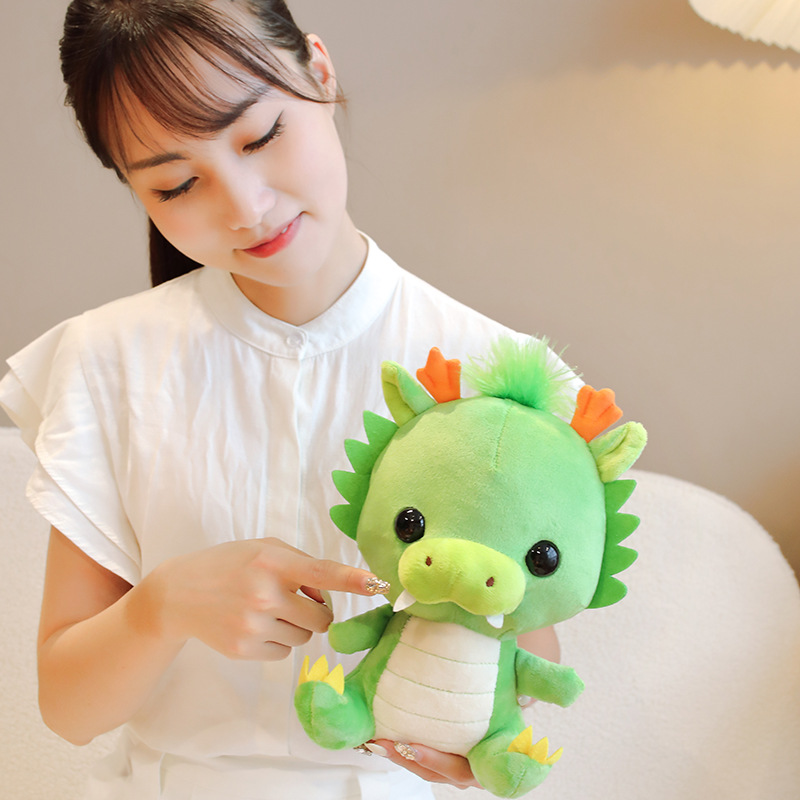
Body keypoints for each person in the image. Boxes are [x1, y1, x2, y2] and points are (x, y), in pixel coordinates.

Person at [0, 1, 570, 798]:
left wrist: (479, 748)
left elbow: (529, 666)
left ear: (320, 71)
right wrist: (160, 607)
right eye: (177, 184)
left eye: (261, 136)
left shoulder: (488, 370)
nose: (245, 207)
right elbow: (68, 709)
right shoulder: (106, 359)